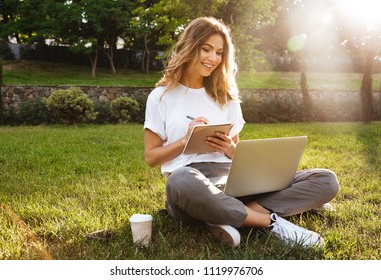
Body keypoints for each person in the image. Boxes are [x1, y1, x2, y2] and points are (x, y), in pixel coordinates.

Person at [144, 17, 340, 248]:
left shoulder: (226, 97)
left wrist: (229, 148)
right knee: (180, 180)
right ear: (189, 47)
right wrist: (185, 140)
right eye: (206, 49)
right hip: (191, 186)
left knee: (326, 180)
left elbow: (237, 155)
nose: (213, 58)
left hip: (233, 182)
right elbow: (151, 157)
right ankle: (270, 221)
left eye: (219, 52)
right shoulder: (161, 96)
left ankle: (225, 217)